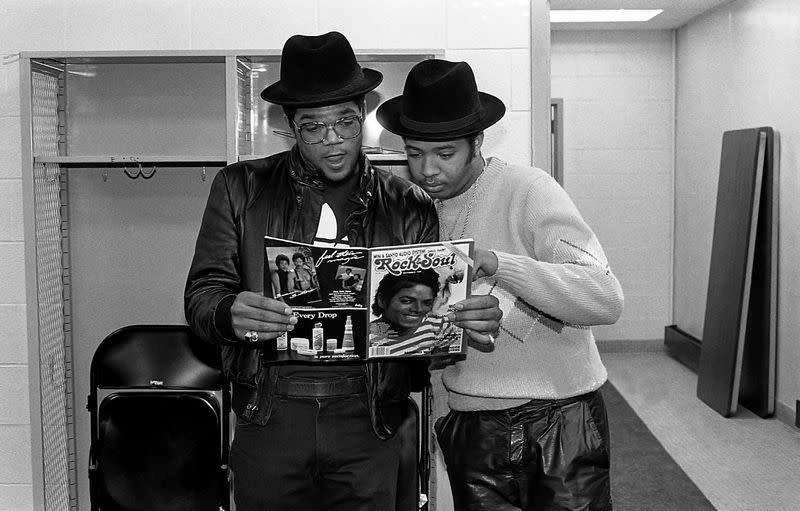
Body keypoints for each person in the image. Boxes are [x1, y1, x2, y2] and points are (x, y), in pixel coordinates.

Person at [185, 33, 502, 511]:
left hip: (369, 416)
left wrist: (456, 321)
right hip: (269, 411)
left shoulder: (407, 203)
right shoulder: (240, 187)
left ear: (364, 115)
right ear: (290, 125)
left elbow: (426, 321)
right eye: (313, 128)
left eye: (346, 122)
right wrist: (230, 312)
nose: (332, 140)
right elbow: (201, 295)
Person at [377, 59, 624, 510]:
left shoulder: (529, 189)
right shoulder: (413, 211)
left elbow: (604, 297)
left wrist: (499, 265)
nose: (428, 169)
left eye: (445, 153)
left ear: (477, 141)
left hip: (558, 417)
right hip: (470, 424)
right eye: (414, 153)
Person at [369, 269, 455, 356]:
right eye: (406, 301)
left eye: (427, 303)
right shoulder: (363, 338)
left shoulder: (441, 327)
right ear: (382, 300)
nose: (419, 309)